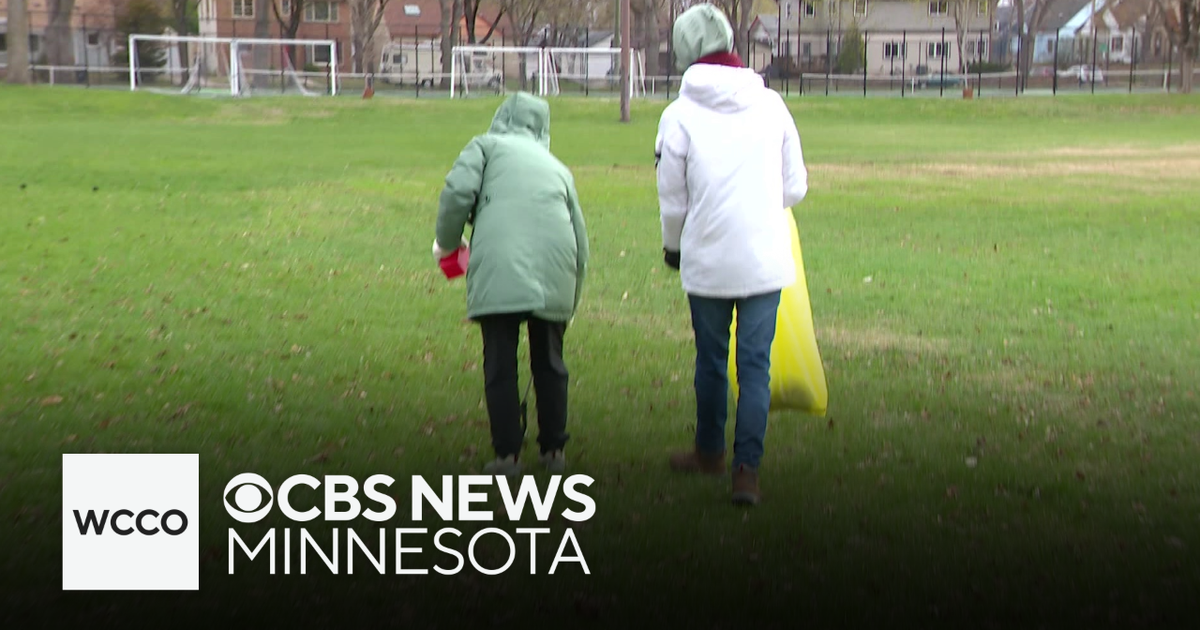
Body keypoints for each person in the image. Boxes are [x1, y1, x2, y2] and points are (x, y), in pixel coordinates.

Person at [654, 4, 808, 506]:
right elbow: (795, 187)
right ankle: (747, 471)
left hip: (708, 260)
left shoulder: (678, 116)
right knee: (755, 367)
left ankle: (708, 452)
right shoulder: (772, 105)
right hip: (764, 257)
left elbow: (673, 199)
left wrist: (674, 248)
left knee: (712, 361)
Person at [433, 92, 589, 476]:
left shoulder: (485, 146)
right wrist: (571, 297)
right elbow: (581, 240)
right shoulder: (557, 168)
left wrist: (448, 245)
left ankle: (507, 456)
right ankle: (554, 451)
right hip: (556, 264)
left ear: (502, 117)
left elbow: (456, 192)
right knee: (550, 361)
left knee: (500, 361)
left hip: (500, 264)